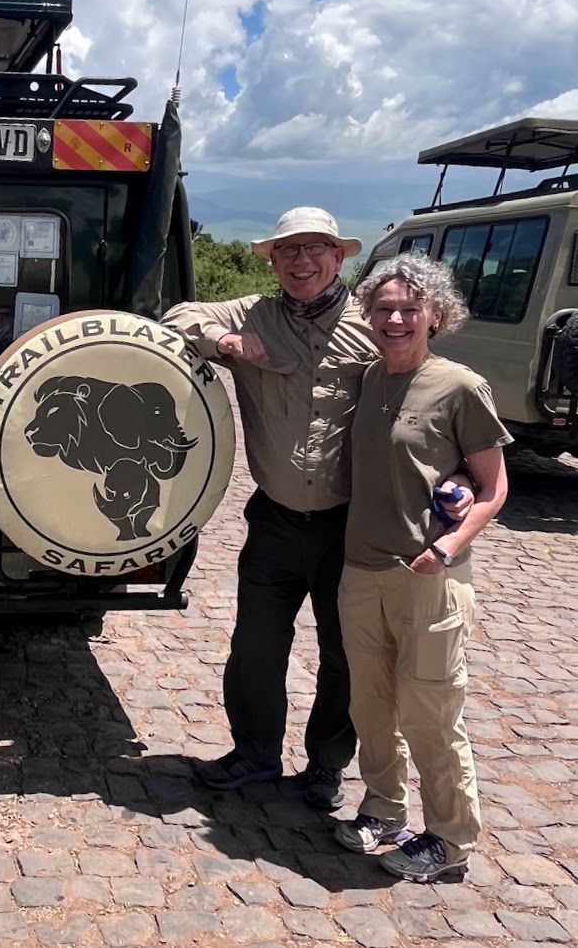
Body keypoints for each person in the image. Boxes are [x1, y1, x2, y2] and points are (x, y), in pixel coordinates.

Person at [163, 207, 471, 811]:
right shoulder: (249, 313)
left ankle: (327, 766)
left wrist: (455, 474)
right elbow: (177, 316)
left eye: (316, 249)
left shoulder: (376, 326)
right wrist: (224, 342)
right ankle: (254, 752)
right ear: (273, 260)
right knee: (255, 644)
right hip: (275, 519)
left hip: (351, 526)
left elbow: (433, 402)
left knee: (346, 654)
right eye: (289, 251)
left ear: (339, 257)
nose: (302, 261)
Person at [333, 254, 509, 882]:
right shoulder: (367, 379)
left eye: (411, 308)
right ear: (369, 315)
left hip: (428, 576)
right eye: (384, 308)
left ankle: (450, 840)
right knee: (371, 705)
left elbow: (492, 489)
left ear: (437, 313)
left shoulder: (459, 385)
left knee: (431, 711)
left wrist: (447, 547)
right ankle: (383, 810)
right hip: (361, 570)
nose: (397, 318)